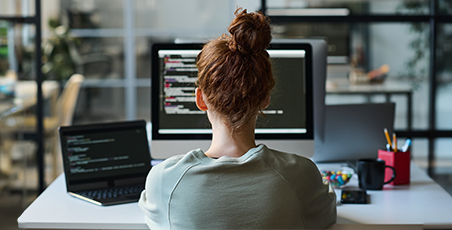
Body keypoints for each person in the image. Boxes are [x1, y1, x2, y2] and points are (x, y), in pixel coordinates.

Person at [138, 8, 337, 230]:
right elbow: (328, 212)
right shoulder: (301, 176)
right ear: (265, 99)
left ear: (200, 99)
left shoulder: (163, 180)